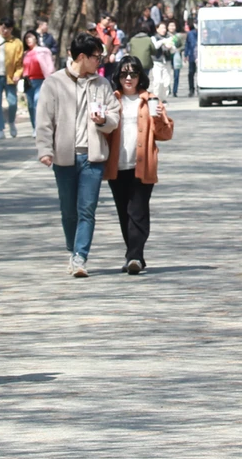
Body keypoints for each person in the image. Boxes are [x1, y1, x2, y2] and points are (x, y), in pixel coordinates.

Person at [36, 31, 121, 277]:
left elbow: (114, 116)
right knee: (68, 210)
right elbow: (44, 121)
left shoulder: (102, 84)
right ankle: (72, 248)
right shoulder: (54, 82)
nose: (100, 62)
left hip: (92, 157)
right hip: (64, 156)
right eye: (96, 57)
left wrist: (104, 119)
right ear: (81, 57)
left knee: (87, 209)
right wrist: (44, 150)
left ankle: (80, 256)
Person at [103, 56, 174, 274]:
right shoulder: (112, 99)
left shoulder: (150, 100)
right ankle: (133, 254)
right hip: (117, 165)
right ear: (118, 76)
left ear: (140, 76)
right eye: (124, 74)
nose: (128, 78)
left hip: (142, 165)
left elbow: (166, 134)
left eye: (133, 73)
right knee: (124, 213)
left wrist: (161, 118)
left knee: (138, 211)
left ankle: (135, 256)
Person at [22, 29, 55, 134]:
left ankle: (39, 128)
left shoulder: (43, 51)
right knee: (31, 106)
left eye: (30, 37)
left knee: (37, 103)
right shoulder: (25, 53)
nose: (28, 40)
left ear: (36, 38)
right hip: (29, 82)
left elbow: (50, 66)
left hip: (41, 80)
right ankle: (34, 126)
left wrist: (50, 79)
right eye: (26, 38)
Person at [184, 20, 199, 95]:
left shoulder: (204, 32)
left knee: (199, 74)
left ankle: (199, 88)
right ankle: (191, 89)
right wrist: (185, 55)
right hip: (192, 55)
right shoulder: (190, 33)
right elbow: (187, 44)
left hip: (201, 56)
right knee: (191, 73)